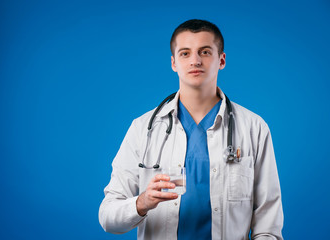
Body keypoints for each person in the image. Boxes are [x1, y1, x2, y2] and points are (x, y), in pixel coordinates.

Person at [99, 19, 283, 240]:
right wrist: (142, 202)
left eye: (205, 52)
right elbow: (108, 217)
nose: (195, 61)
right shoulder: (143, 129)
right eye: (185, 53)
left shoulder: (254, 128)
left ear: (221, 60)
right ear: (174, 63)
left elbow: (268, 226)